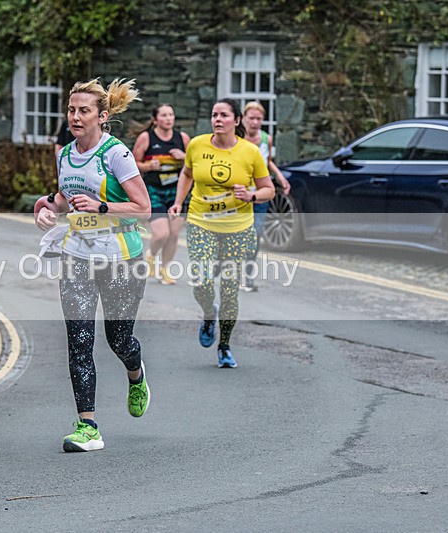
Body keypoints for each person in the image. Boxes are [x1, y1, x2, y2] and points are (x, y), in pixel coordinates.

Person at [34, 78, 152, 452]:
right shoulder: (65, 154)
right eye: (71, 110)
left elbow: (144, 209)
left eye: (83, 110)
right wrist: (48, 207)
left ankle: (136, 372)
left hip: (121, 259)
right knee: (79, 342)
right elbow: (64, 198)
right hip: (77, 258)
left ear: (101, 116)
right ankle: (88, 426)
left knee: (119, 340)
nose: (75, 116)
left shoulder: (116, 154)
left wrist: (102, 207)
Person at [168, 98, 274, 368]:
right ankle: (207, 313)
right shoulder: (197, 145)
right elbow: (187, 174)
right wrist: (179, 202)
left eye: (224, 115)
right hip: (202, 221)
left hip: (238, 227)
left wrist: (250, 195)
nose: (217, 119)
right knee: (201, 279)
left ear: (236, 120)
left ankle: (224, 345)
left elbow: (268, 189)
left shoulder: (250, 152)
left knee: (229, 292)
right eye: (214, 114)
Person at [131, 104, 191, 285]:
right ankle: (151, 255)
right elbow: (133, 162)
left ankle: (165, 269)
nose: (168, 118)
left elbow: (194, 162)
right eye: (164, 115)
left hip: (177, 192)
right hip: (154, 190)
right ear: (156, 119)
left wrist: (184, 156)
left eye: (171, 115)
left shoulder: (183, 138)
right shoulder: (146, 138)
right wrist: (148, 166)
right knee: (161, 234)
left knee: (173, 234)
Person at [241, 101, 291, 292]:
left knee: (256, 234)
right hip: (238, 196)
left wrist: (280, 177)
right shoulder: (236, 139)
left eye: (259, 119)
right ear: (243, 118)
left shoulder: (266, 139)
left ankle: (248, 277)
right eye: (251, 118)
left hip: (259, 194)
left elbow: (268, 161)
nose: (255, 122)